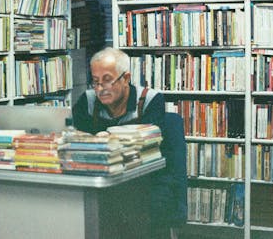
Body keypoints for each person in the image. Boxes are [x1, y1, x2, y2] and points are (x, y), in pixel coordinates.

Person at [72, 47, 187, 239]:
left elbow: (146, 146)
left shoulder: (150, 100)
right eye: (96, 82)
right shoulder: (88, 100)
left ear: (125, 78)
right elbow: (76, 137)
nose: (100, 89)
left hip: (142, 182)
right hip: (100, 180)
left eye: (108, 80)